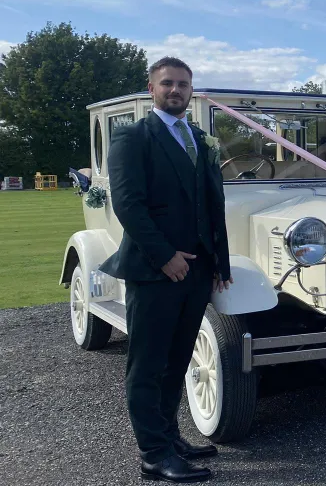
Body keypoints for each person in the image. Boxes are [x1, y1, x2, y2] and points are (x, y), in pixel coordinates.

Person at [98, 57, 232, 482]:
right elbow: (129, 206)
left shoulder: (199, 138)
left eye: (183, 84)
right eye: (168, 84)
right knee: (147, 364)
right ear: (152, 88)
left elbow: (213, 203)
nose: (176, 90)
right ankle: (153, 454)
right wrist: (165, 256)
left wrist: (220, 262)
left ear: (192, 90)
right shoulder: (133, 136)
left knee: (177, 361)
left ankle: (171, 437)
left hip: (197, 271)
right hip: (157, 270)